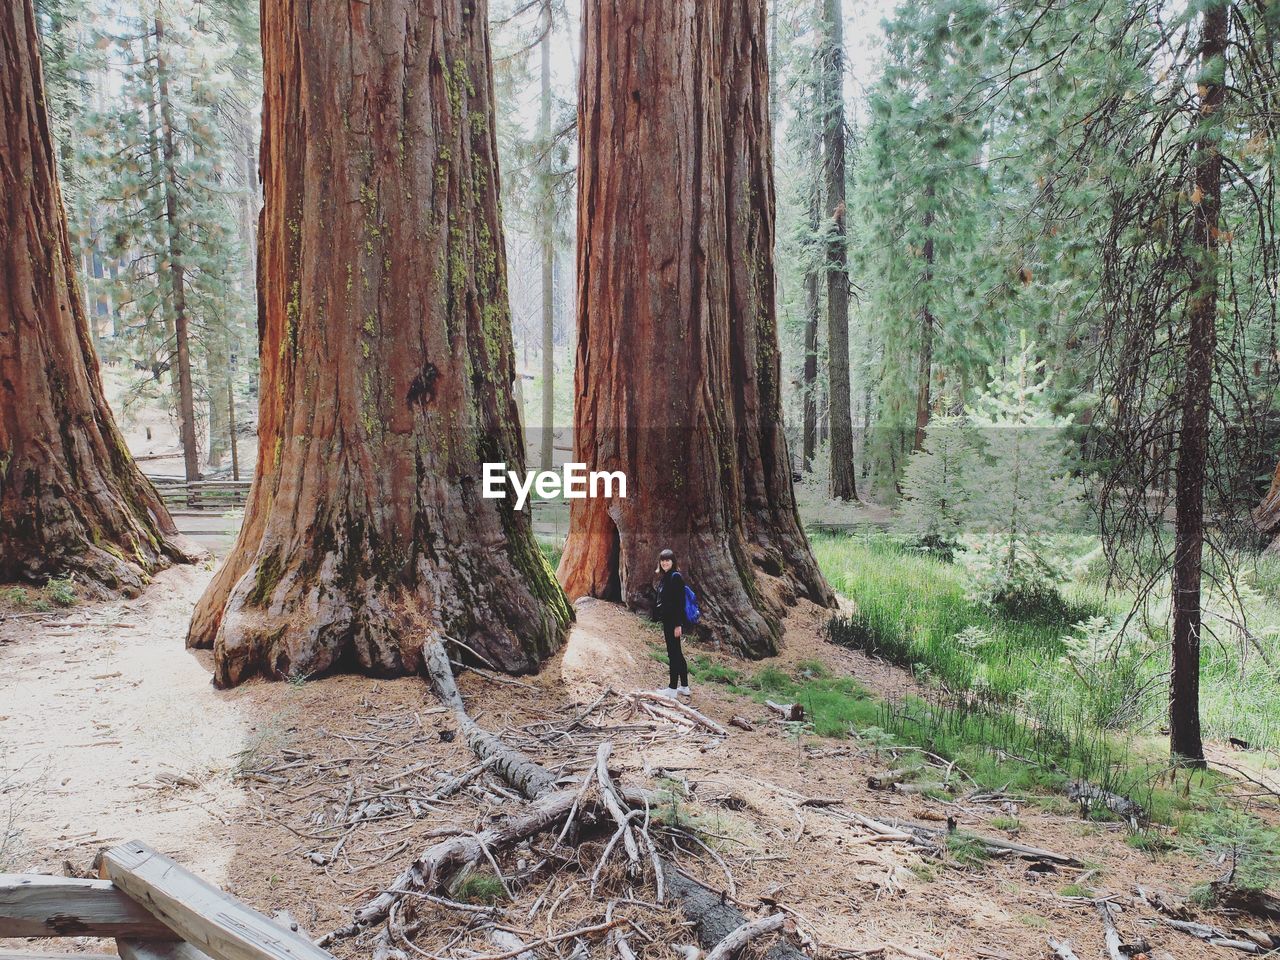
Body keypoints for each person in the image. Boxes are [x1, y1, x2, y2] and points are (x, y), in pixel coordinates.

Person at [654, 548, 690, 698]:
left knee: (673, 654)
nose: (665, 563)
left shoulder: (675, 577)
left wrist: (678, 625)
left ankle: (672, 689)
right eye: (662, 560)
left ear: (673, 562)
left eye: (667, 560)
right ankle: (685, 687)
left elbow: (679, 603)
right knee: (677, 653)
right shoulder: (666, 577)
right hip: (668, 621)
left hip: (673, 623)